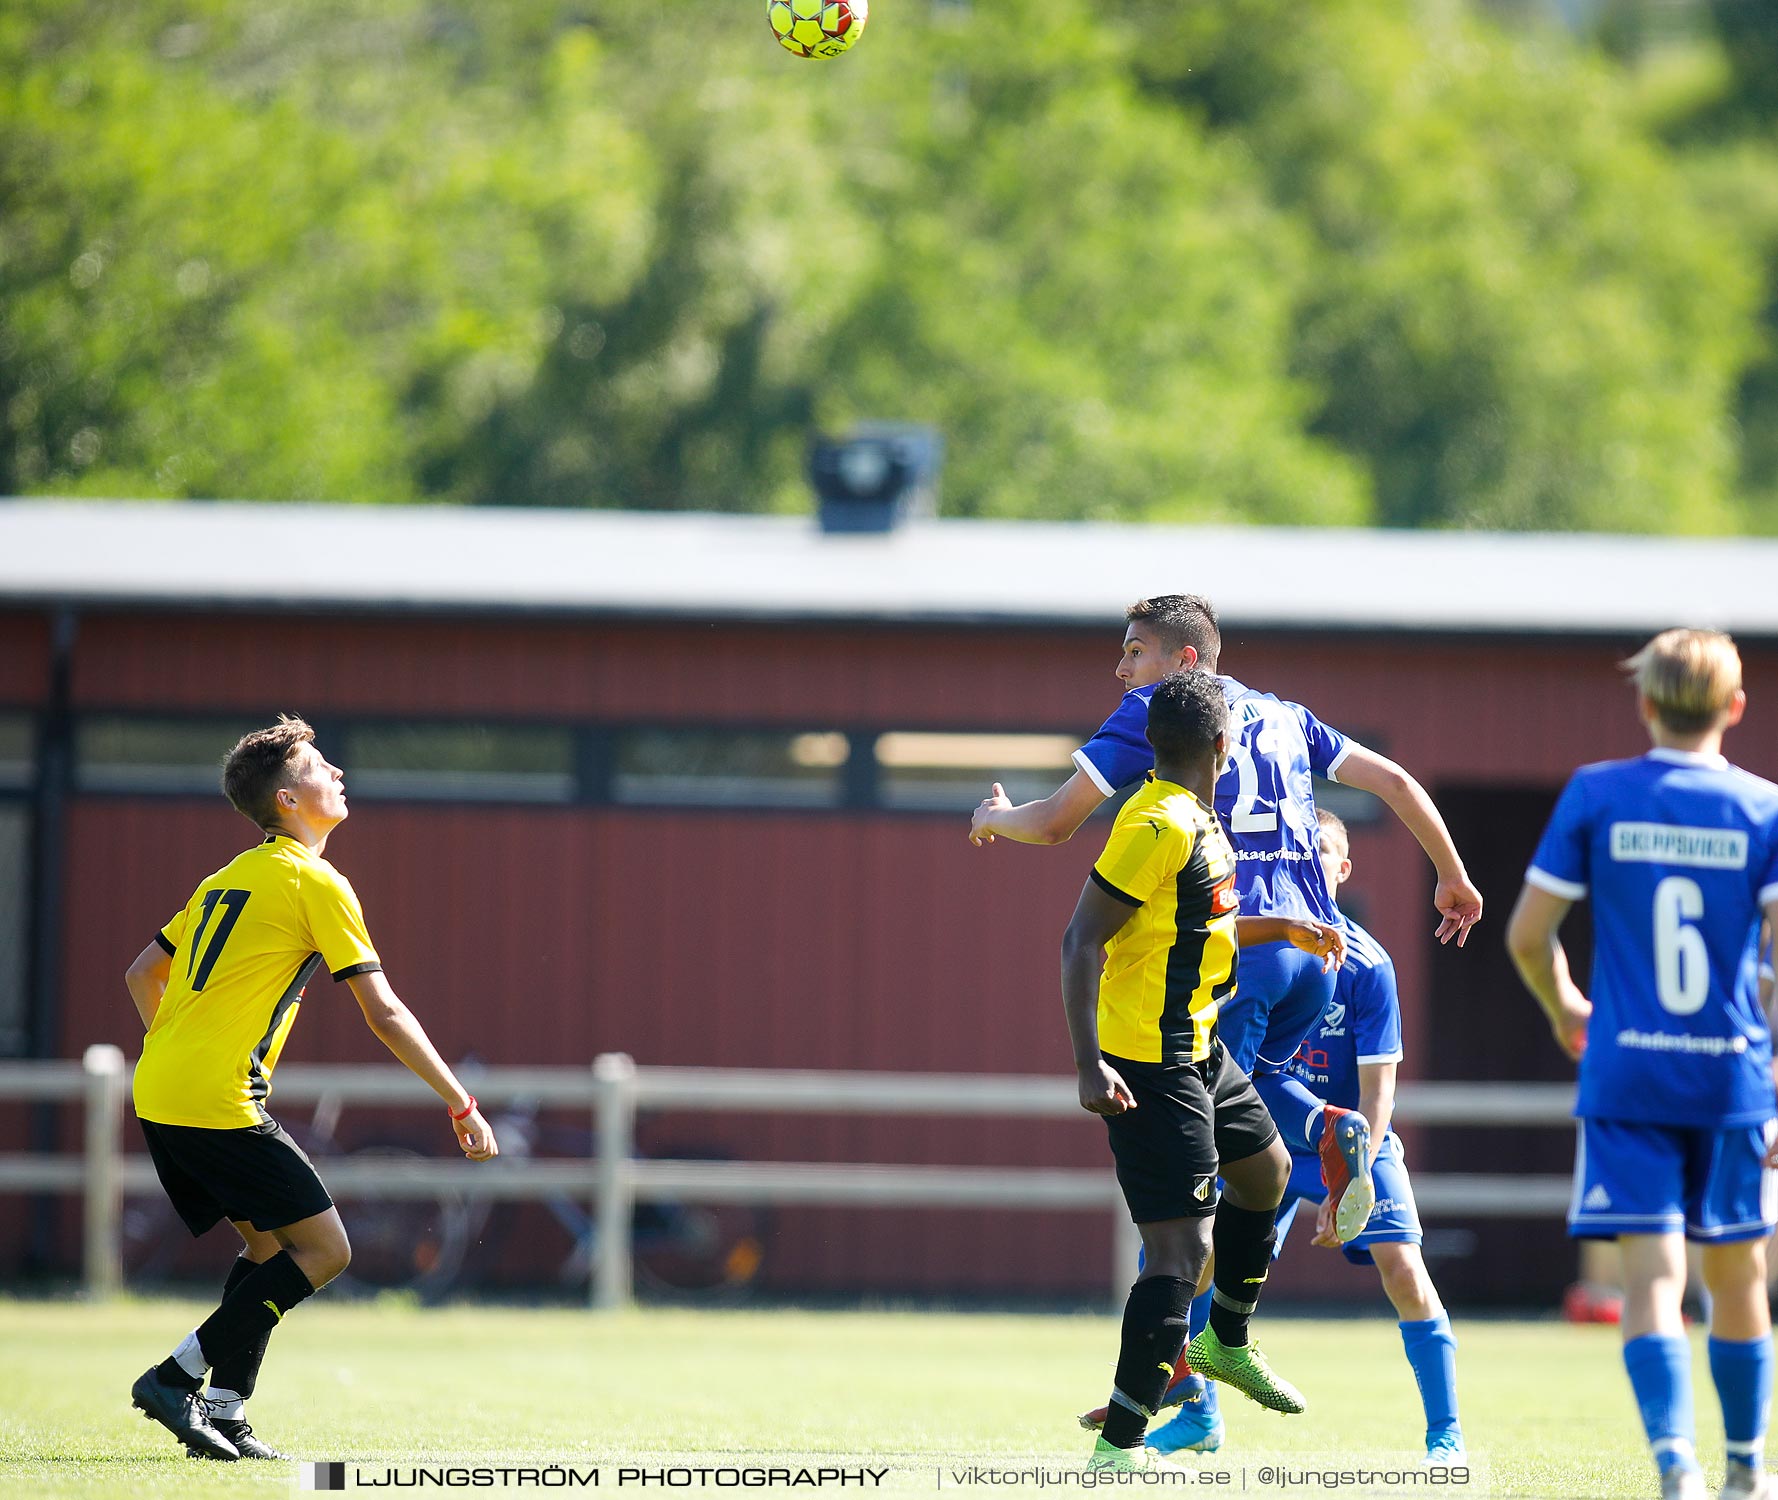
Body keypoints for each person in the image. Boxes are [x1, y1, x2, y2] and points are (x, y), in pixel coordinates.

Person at [976, 593, 1482, 1437]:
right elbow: (1391, 779)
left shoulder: (1156, 713)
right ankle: (1203, 1378)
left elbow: (1060, 820)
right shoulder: (1287, 716)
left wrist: (998, 818)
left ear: (1182, 662)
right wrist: (1453, 875)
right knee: (1244, 1142)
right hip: (1314, 955)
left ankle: (1171, 1378)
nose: (1121, 669)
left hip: (1230, 953)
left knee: (1176, 1206)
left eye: (1133, 651)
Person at [124, 716, 498, 1462]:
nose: (339, 775)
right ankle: (174, 1379)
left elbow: (142, 974)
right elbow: (384, 1012)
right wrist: (461, 1101)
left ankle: (224, 1415)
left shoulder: (228, 875)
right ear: (290, 799)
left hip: (160, 1091)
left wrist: (180, 1048)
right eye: (323, 766)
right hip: (214, 1100)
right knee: (326, 1251)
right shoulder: (316, 880)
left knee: (271, 1247)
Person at [1507, 629, 1778, 1500]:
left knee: (1651, 1278)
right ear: (1735, 707)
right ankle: (1747, 1467)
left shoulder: (1598, 794)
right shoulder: (1765, 810)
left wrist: (1566, 1010)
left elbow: (1526, 935)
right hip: (1732, 1078)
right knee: (1739, 1275)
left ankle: (1677, 1464)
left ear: (1646, 703)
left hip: (1627, 1074)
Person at [1061, 672, 1343, 1470]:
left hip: (1198, 1046)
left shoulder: (1199, 819)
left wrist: (1283, 923)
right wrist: (1089, 1066)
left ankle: (1224, 1343)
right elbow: (1080, 942)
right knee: (1179, 1256)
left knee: (1268, 1174)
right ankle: (1116, 1454)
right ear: (1225, 744)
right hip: (1148, 1066)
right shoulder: (1154, 823)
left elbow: (1194, 925)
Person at [1259, 809, 1464, 1464]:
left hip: (1352, 1141)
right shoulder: (1258, 949)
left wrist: (1352, 1180)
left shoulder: (1369, 967)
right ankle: (1199, 1416)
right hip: (1267, 1140)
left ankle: (1445, 1437)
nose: (1310, 860)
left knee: (1404, 1270)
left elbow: (1378, 1096)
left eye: (1324, 851)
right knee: (1201, 1260)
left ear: (1343, 868)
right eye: (1300, 850)